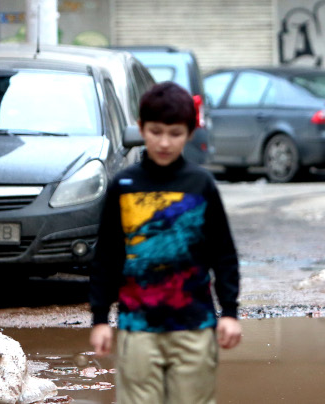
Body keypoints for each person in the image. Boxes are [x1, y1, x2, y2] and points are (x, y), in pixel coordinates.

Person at [89, 82, 242, 403]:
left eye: (174, 133)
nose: (164, 142)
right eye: (155, 131)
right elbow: (107, 256)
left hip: (194, 328)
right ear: (141, 128)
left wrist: (229, 311)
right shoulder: (124, 185)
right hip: (137, 328)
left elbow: (223, 253)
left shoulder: (201, 184)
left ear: (189, 132)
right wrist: (100, 319)